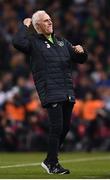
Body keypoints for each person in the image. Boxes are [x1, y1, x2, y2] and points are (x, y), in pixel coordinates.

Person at [12, 10, 87, 174]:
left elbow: (80, 59)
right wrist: (24, 26)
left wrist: (82, 51)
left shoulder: (61, 41)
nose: (50, 22)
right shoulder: (33, 42)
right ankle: (52, 163)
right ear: (38, 25)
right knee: (57, 127)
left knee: (65, 127)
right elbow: (17, 42)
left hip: (67, 89)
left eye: (50, 19)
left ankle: (50, 158)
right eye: (46, 21)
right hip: (50, 89)